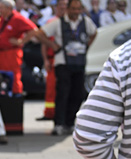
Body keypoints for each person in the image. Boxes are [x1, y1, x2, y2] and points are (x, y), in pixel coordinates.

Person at [36, 0, 96, 135]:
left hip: (79, 62)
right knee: (63, 93)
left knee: (78, 94)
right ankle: (59, 123)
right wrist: (53, 46)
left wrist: (86, 46)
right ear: (68, 9)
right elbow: (40, 34)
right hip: (62, 62)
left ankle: (70, 122)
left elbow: (94, 33)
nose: (76, 12)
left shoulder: (85, 22)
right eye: (73, 9)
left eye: (78, 9)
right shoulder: (58, 22)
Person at [0, 0, 37, 95]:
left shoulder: (18, 18)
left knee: (14, 77)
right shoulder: (3, 18)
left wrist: (22, 41)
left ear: (9, 8)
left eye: (1, 8)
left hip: (12, 54)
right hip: (0, 54)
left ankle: (16, 97)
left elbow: (33, 29)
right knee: (0, 77)